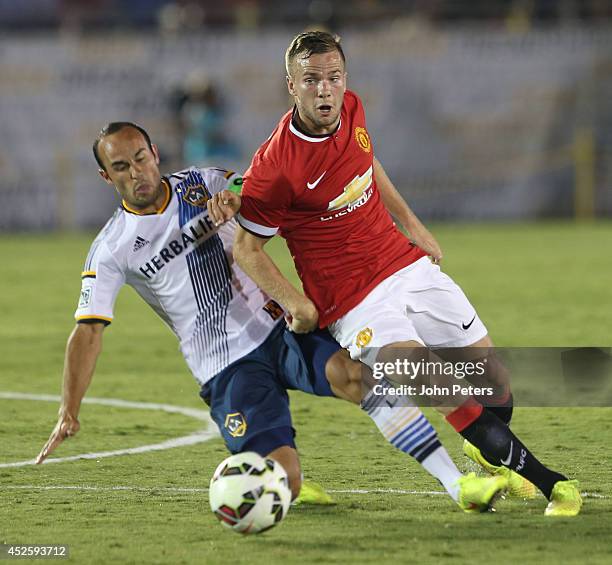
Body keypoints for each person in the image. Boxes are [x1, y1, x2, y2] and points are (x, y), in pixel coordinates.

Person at [35, 122, 504, 513]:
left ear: (155, 152)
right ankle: (279, 480)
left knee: (363, 378)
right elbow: (88, 331)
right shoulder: (112, 247)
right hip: (226, 364)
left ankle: (457, 484)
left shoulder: (207, 183)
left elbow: (260, 194)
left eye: (141, 157)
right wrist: (68, 409)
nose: (137, 172)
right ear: (105, 177)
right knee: (285, 484)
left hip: (280, 329)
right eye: (121, 166)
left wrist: (237, 198)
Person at [221, 31, 581, 517]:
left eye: (332, 78)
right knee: (437, 382)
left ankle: (485, 448)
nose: (324, 90)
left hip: (404, 265)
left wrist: (411, 225)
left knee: (494, 383)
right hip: (355, 303)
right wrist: (297, 303)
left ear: (344, 79)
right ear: (292, 86)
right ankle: (551, 484)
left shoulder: (352, 108)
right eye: (311, 80)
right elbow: (246, 247)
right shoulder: (276, 167)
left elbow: (366, 165)